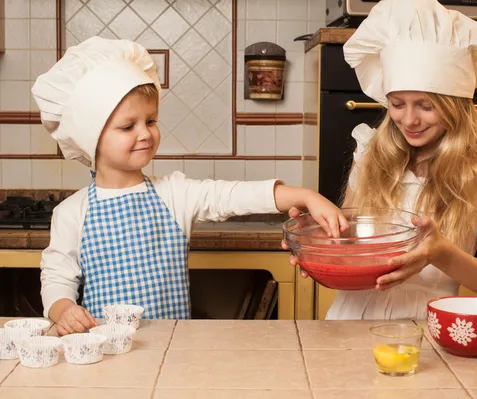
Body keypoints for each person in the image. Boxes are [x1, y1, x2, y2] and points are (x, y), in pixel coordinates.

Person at [32, 36, 348, 336]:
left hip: (174, 348)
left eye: (151, 121)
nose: (145, 133)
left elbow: (233, 196)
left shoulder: (174, 193)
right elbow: (57, 280)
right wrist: (63, 311)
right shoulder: (72, 213)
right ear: (92, 137)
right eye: (129, 126)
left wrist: (306, 196)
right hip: (109, 353)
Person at [284, 0, 477, 320]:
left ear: (456, 105)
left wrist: (441, 253)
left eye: (425, 105)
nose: (409, 120)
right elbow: (351, 247)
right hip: (350, 322)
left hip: (429, 330)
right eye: (397, 103)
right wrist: (316, 247)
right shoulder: (370, 152)